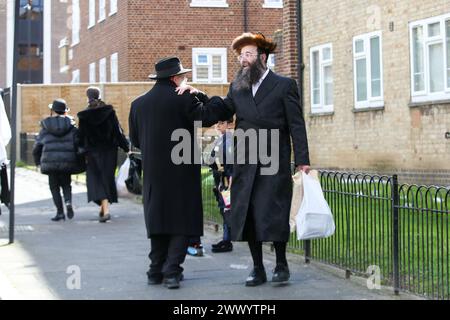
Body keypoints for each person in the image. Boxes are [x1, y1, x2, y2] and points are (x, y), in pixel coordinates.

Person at [178, 32, 311, 287]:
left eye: (248, 54)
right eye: (241, 55)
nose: (243, 60)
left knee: (274, 211)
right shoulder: (238, 86)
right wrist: (198, 94)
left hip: (274, 158)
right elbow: (223, 109)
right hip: (246, 159)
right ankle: (258, 267)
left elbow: (297, 124)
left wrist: (302, 159)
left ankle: (281, 264)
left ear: (263, 57)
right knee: (248, 212)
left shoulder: (284, 85)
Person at [129, 57, 226, 289]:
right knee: (182, 220)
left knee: (159, 219)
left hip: (153, 171)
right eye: (183, 77)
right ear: (175, 78)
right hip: (182, 171)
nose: (185, 80)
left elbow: (135, 140)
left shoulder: (138, 104)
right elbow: (214, 113)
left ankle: (155, 271)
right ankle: (172, 272)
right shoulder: (184, 99)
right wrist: (198, 93)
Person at [77, 87, 130, 223]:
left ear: (87, 97)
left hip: (92, 152)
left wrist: (80, 151)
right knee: (107, 178)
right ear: (99, 95)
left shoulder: (84, 115)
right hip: (109, 151)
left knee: (95, 180)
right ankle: (105, 208)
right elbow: (117, 132)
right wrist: (126, 147)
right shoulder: (109, 112)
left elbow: (80, 137)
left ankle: (104, 208)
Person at [32, 99, 83, 221]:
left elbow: (37, 147)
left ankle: (60, 213)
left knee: (54, 187)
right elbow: (79, 144)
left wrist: (37, 162)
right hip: (67, 162)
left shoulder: (45, 127)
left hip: (50, 163)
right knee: (66, 185)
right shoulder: (72, 126)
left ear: (53, 110)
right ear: (65, 111)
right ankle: (68, 202)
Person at [209, 119, 234, 253]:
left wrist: (230, 184)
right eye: (216, 123)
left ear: (229, 124)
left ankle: (227, 240)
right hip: (220, 181)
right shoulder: (220, 140)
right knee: (224, 210)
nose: (217, 126)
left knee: (227, 210)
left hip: (226, 182)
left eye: (221, 123)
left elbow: (232, 166)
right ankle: (226, 239)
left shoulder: (229, 141)